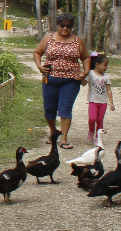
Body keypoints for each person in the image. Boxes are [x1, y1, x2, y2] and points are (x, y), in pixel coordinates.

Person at [32, 13, 90, 150]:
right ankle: (53, 131)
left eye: (68, 26)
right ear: (58, 25)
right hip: (50, 79)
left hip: (71, 81)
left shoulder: (77, 41)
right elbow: (37, 52)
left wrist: (86, 71)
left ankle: (63, 138)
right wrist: (40, 66)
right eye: (62, 25)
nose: (65, 28)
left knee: (65, 109)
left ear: (71, 27)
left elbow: (86, 57)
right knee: (49, 109)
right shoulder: (49, 38)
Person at [84, 53, 115, 144]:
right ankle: (91, 132)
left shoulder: (106, 76)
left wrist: (111, 103)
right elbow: (84, 83)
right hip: (93, 101)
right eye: (105, 65)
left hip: (103, 102)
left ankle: (98, 137)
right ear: (97, 64)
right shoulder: (90, 74)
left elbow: (108, 90)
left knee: (100, 120)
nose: (106, 67)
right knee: (92, 119)